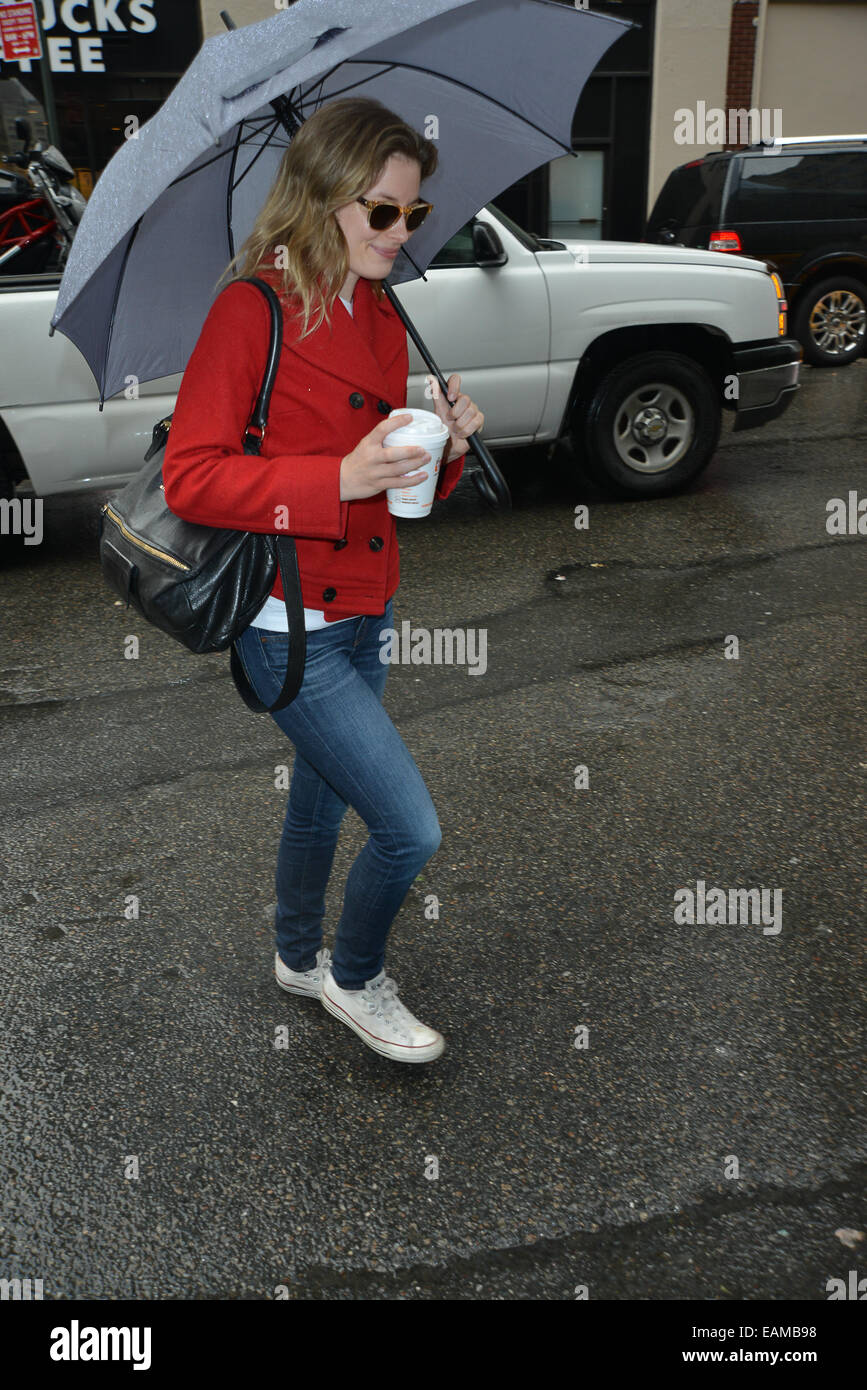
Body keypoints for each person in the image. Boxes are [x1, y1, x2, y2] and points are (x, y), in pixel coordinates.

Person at [162, 97, 484, 1064]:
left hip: (368, 602)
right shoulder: (250, 308)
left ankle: (296, 956)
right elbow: (193, 474)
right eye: (380, 211)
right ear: (323, 200)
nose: (399, 231)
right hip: (282, 622)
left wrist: (448, 445)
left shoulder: (381, 312)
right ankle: (355, 978)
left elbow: (393, 470)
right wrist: (332, 479)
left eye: (412, 214)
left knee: (319, 799)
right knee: (409, 827)